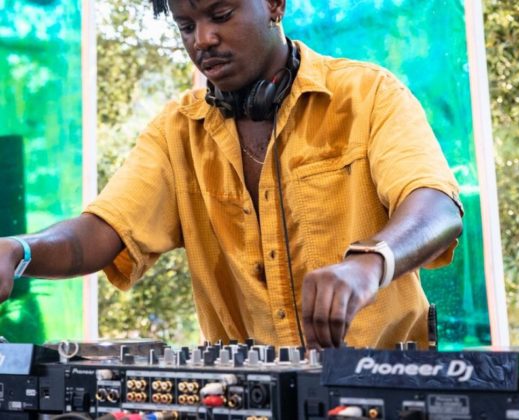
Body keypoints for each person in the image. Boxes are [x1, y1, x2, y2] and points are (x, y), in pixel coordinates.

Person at [0, 0, 463, 350]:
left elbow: (437, 207)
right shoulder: (176, 132)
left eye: (220, 14)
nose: (202, 39)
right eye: (186, 25)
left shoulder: (369, 96)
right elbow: (104, 231)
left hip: (387, 392)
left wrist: (370, 262)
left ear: (276, 4)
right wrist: (17, 250)